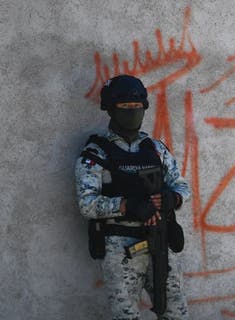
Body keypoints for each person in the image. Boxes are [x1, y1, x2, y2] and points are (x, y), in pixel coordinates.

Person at [75, 74, 190, 319]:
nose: (132, 112)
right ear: (111, 109)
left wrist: (173, 199)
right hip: (120, 248)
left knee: (176, 312)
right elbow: (87, 204)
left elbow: (181, 187)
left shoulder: (155, 149)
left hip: (160, 240)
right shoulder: (96, 152)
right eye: (125, 107)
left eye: (137, 107)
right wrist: (128, 206)